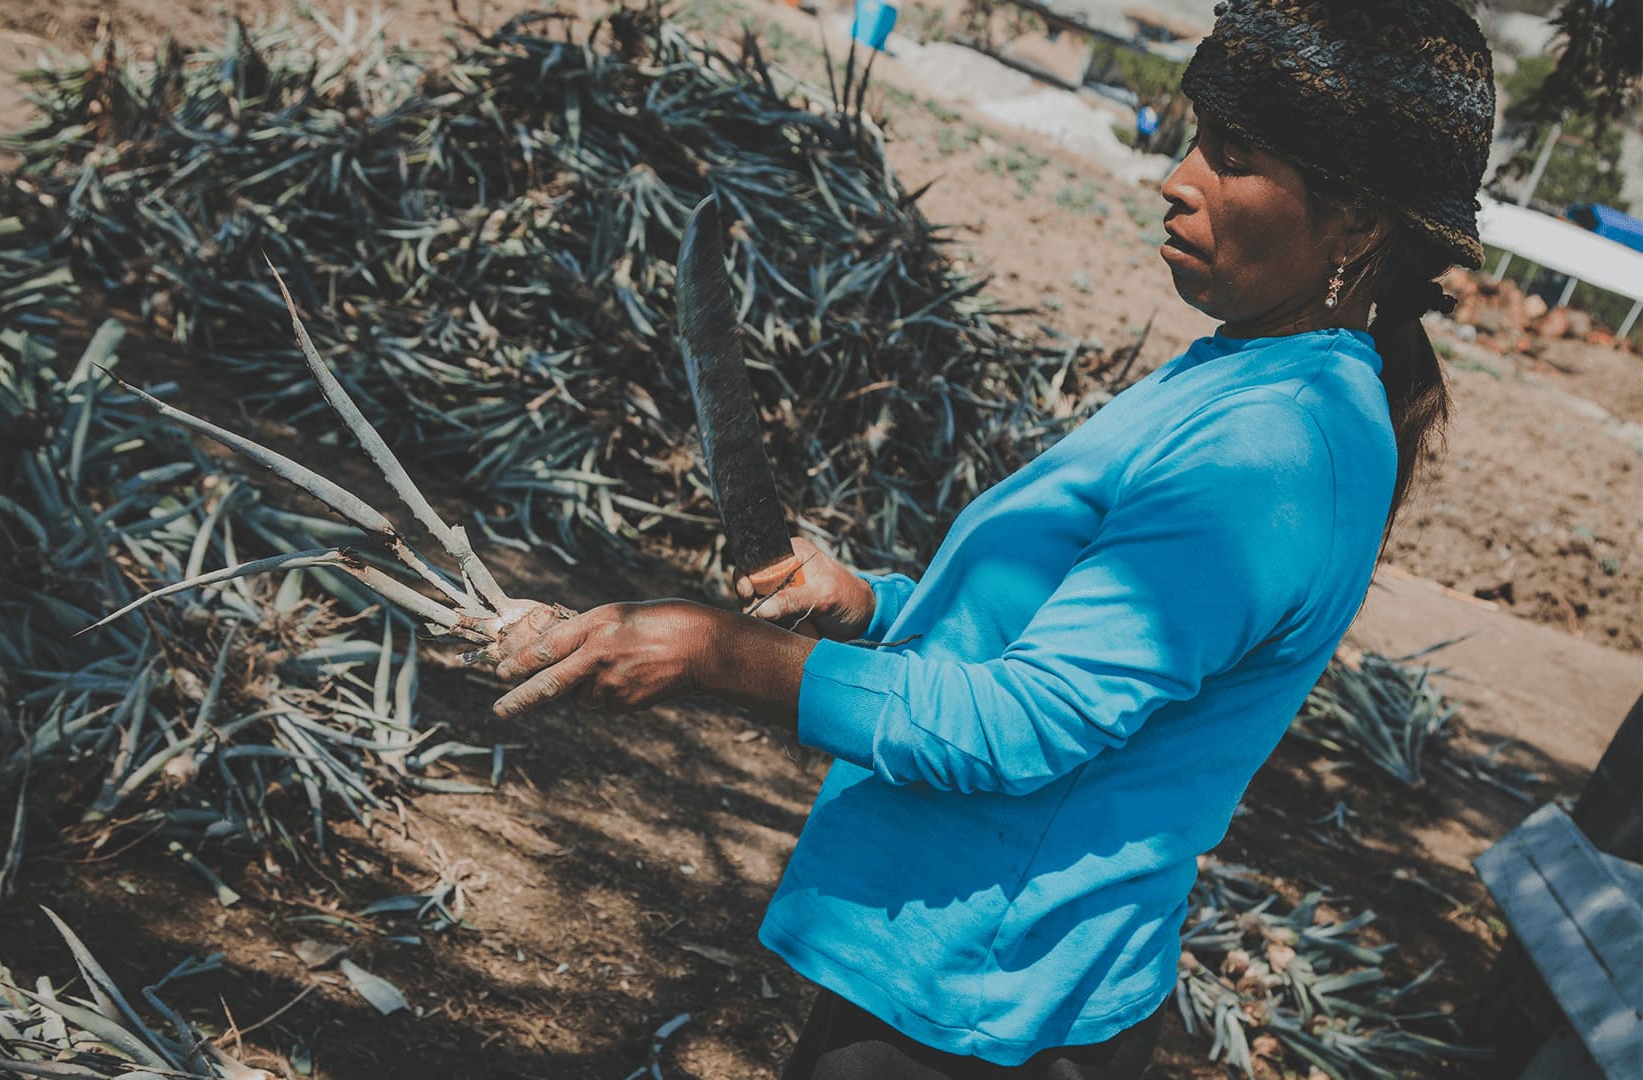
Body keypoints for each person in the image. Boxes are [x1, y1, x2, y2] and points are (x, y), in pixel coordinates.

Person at [490, 2, 1496, 1077]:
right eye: (1198, 137)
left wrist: (715, 653)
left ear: (1357, 226)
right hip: (970, 963)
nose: (1179, 178)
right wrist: (877, 606)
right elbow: (1075, 636)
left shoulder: (1273, 449)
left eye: (1234, 158)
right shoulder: (1253, 374)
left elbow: (1020, 728)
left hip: (981, 1005)